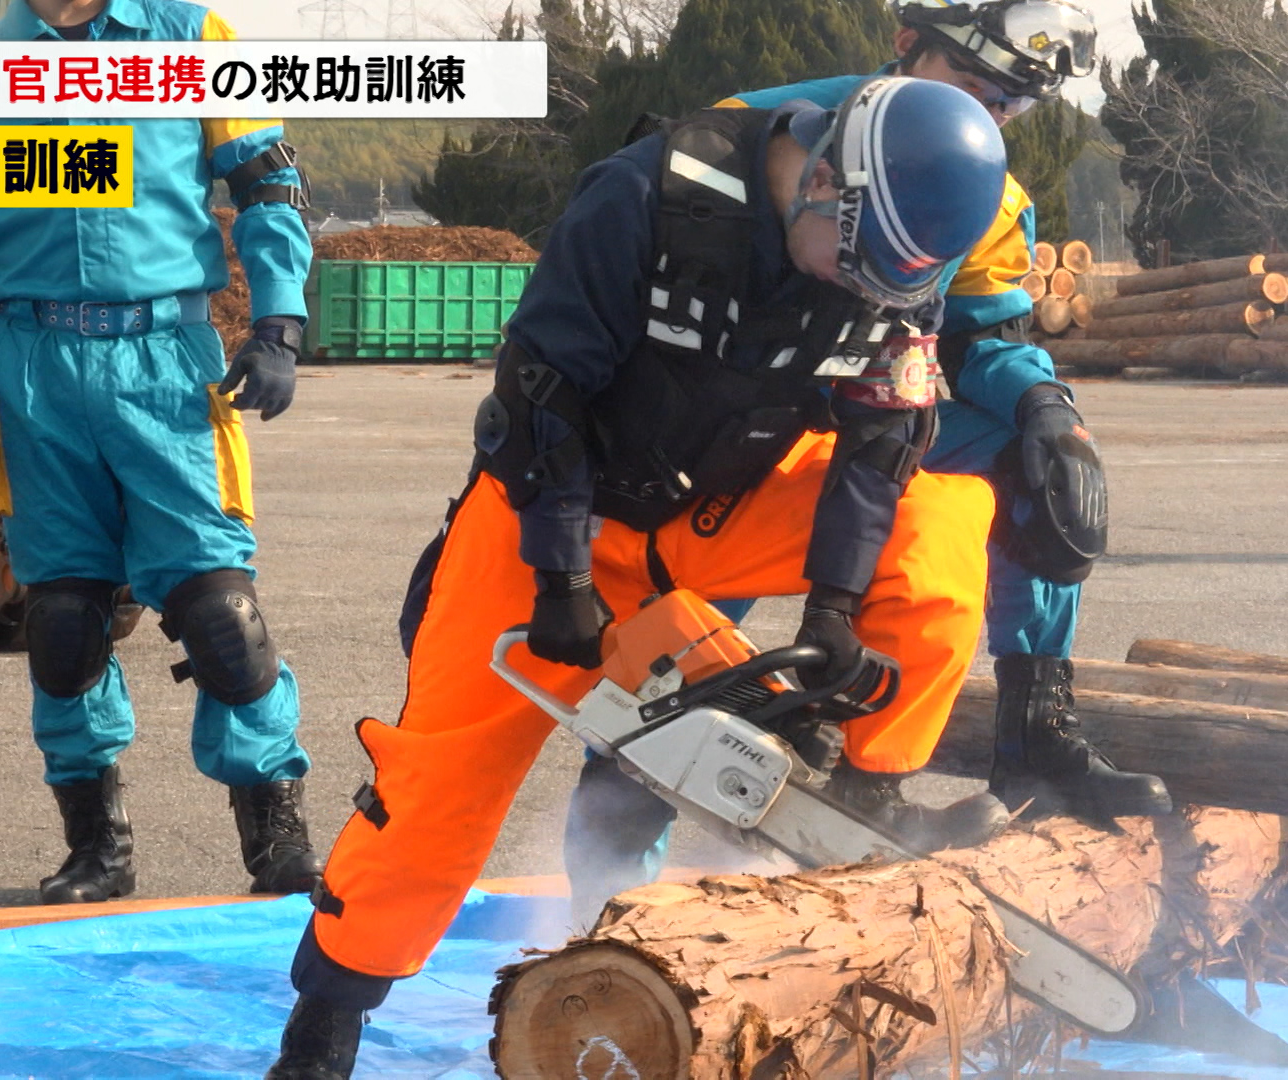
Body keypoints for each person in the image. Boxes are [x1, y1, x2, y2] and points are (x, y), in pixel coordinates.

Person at [264, 76, 1011, 1077]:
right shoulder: (646, 196)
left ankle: (875, 793)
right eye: (856, 264)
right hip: (556, 500)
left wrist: (835, 606)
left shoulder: (898, 267)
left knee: (944, 516)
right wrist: (561, 574)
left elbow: (880, 440)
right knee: (442, 779)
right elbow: (541, 397)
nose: (864, 293)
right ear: (825, 182)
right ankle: (328, 1017)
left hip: (724, 504)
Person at [562, 0, 1172, 930]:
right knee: (669, 660)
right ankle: (604, 887)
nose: (989, 117)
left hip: (867, 414)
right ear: (906, 45)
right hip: (708, 430)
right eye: (973, 85)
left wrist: (1047, 411)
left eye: (1012, 106)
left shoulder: (984, 190)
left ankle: (1018, 741)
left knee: (1031, 468)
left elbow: (981, 338)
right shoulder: (741, 141)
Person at [0, 0, 325, 905]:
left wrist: (279, 320)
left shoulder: (193, 39)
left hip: (168, 361)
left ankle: (277, 838)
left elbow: (265, 183)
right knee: (62, 621)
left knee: (222, 615)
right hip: (35, 373)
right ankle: (97, 847)